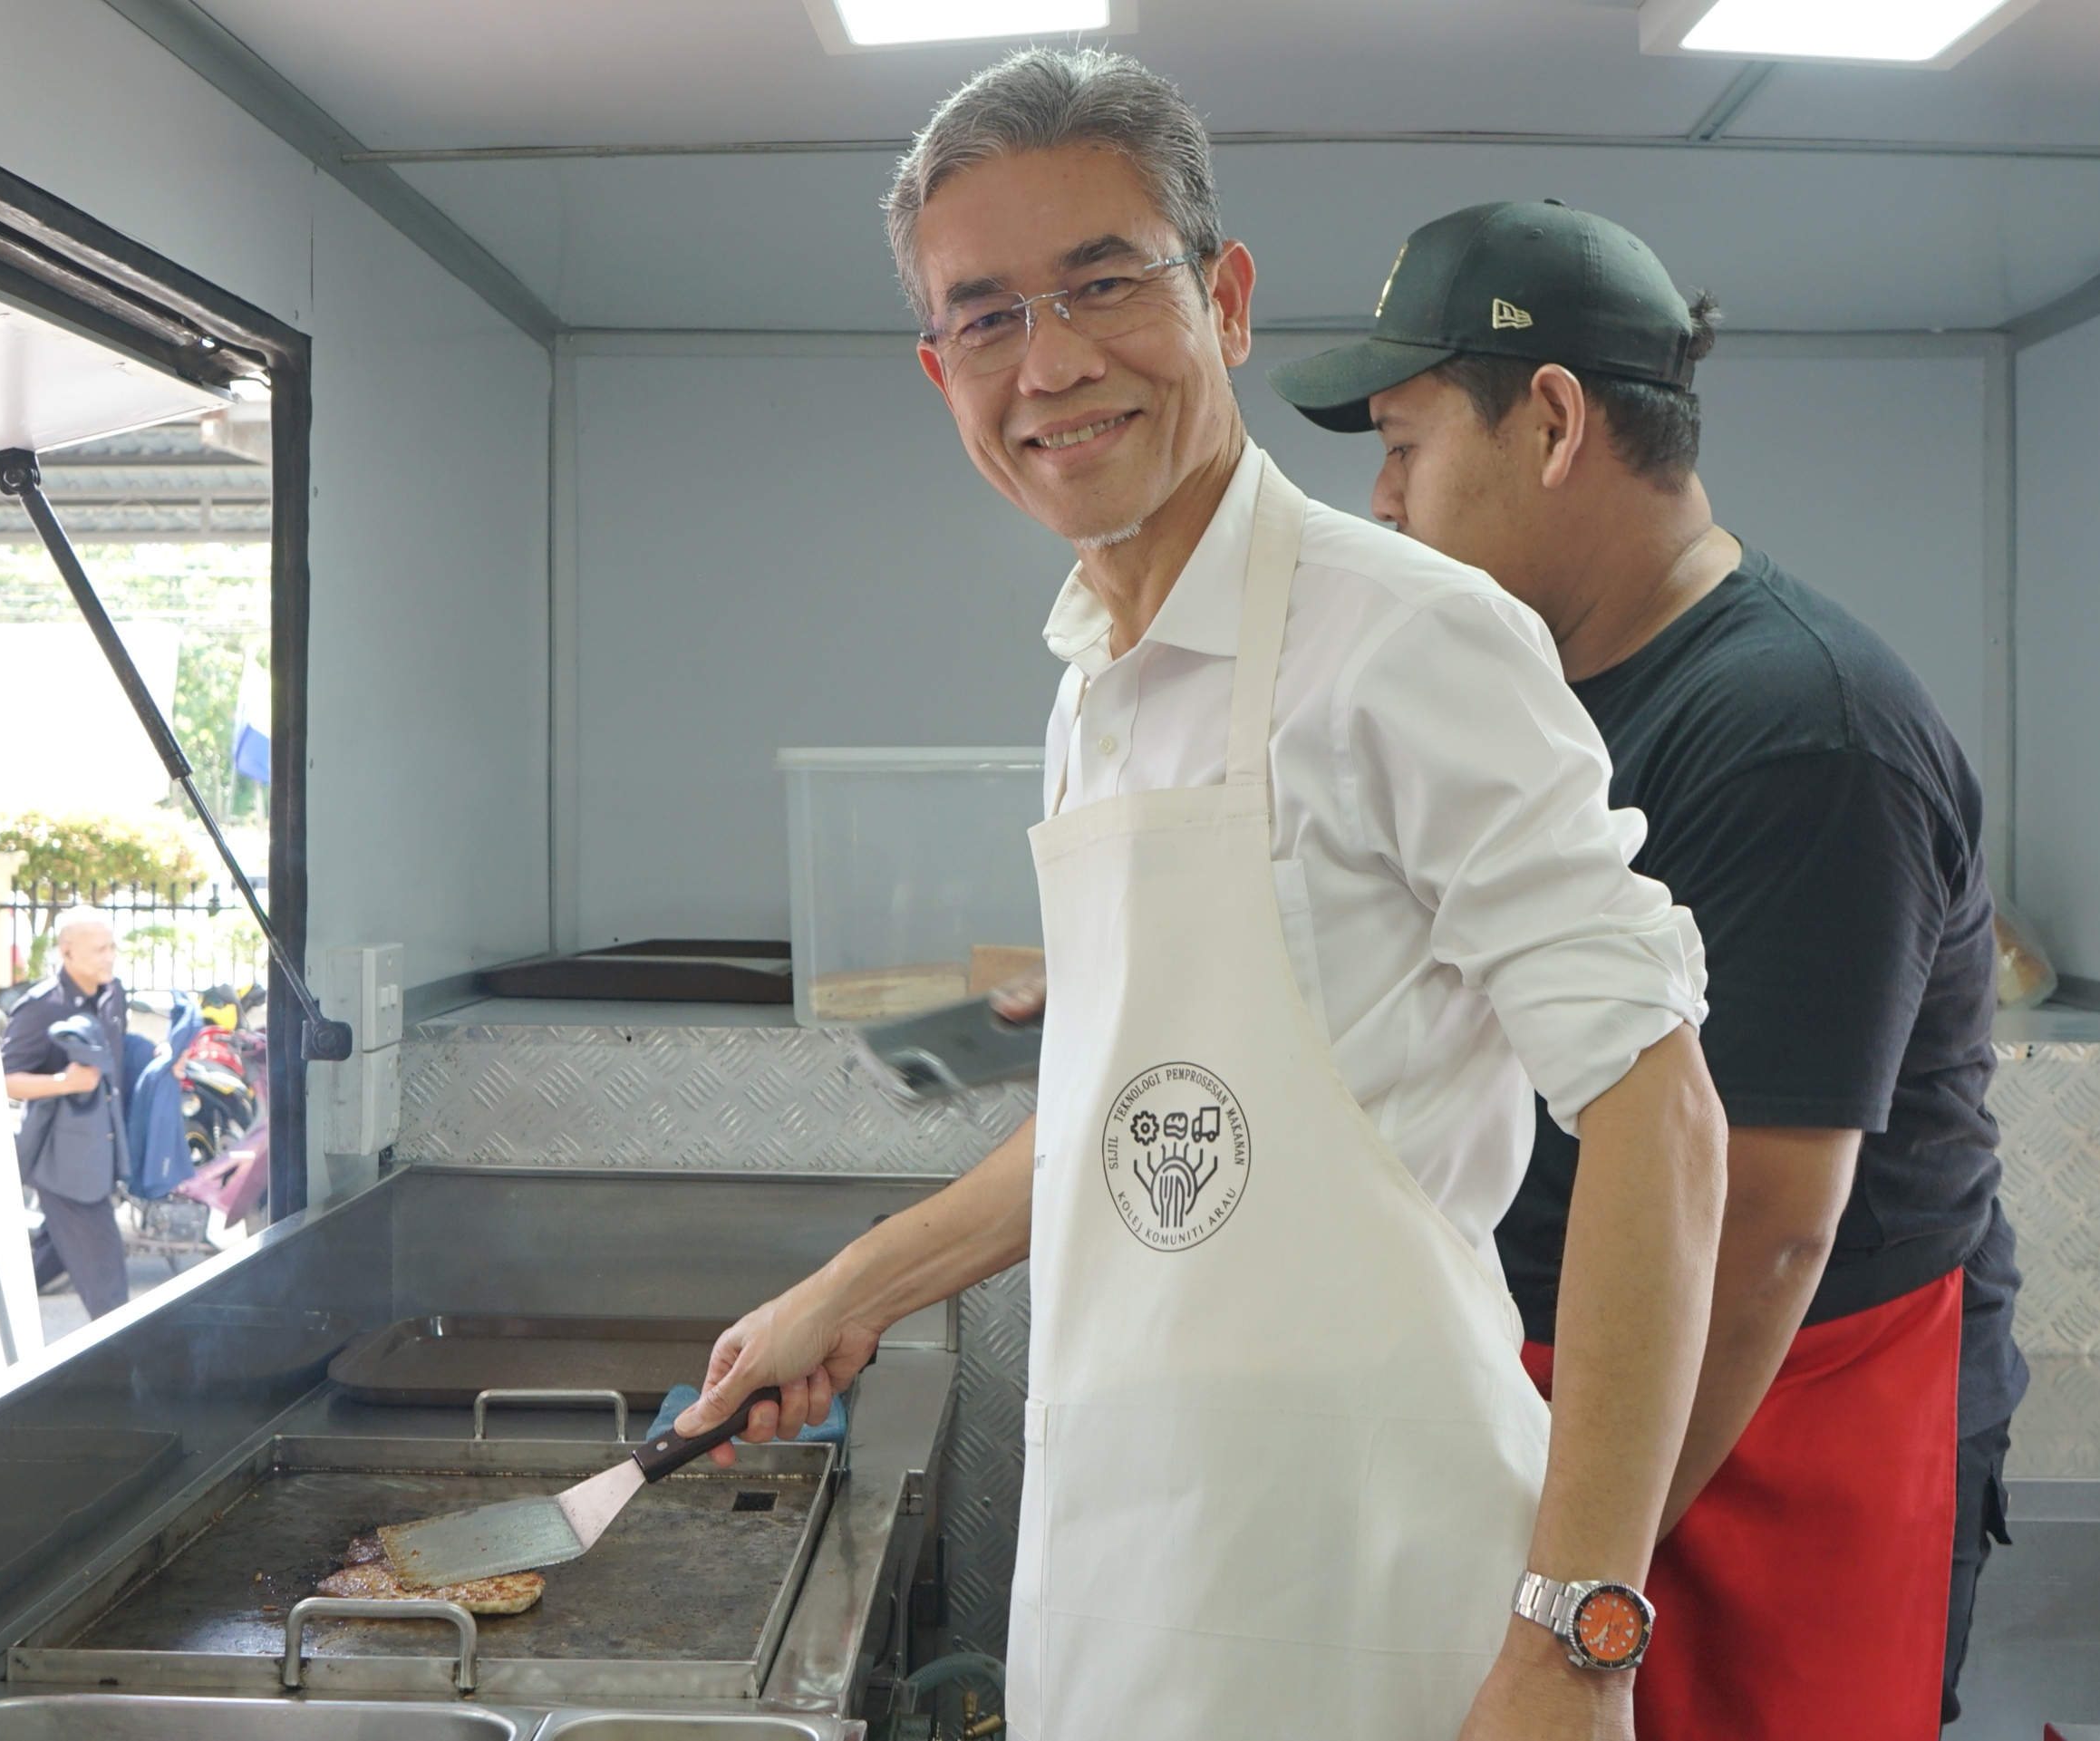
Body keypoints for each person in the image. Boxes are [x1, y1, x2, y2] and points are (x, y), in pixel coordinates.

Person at [674, 51, 1727, 1741]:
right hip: (1130, 1580)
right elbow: (1126, 1107)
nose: (1053, 363)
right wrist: (857, 1285)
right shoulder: (1091, 680)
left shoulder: (1406, 638)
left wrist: (1573, 1635)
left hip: (1381, 1604)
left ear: (1223, 301)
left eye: (1102, 283)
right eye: (987, 317)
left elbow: (1658, 1116)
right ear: (936, 368)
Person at [1269, 201, 2028, 1735]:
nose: (1382, 497)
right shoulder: (1537, 690)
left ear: (1549, 422)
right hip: (1580, 1368)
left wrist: (1567, 1607)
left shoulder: (1799, 729)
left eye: (1407, 444)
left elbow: (1755, 1229)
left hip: (1779, 1409)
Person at [0, 906, 131, 1319]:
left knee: (47, 1265)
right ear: (67, 952)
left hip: (103, 1151)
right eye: (98, 950)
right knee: (109, 1288)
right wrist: (65, 1084)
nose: (108, 956)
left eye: (111, 947)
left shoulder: (113, 993)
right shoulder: (41, 1008)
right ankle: (123, 1372)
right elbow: (1, 1079)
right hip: (67, 1167)